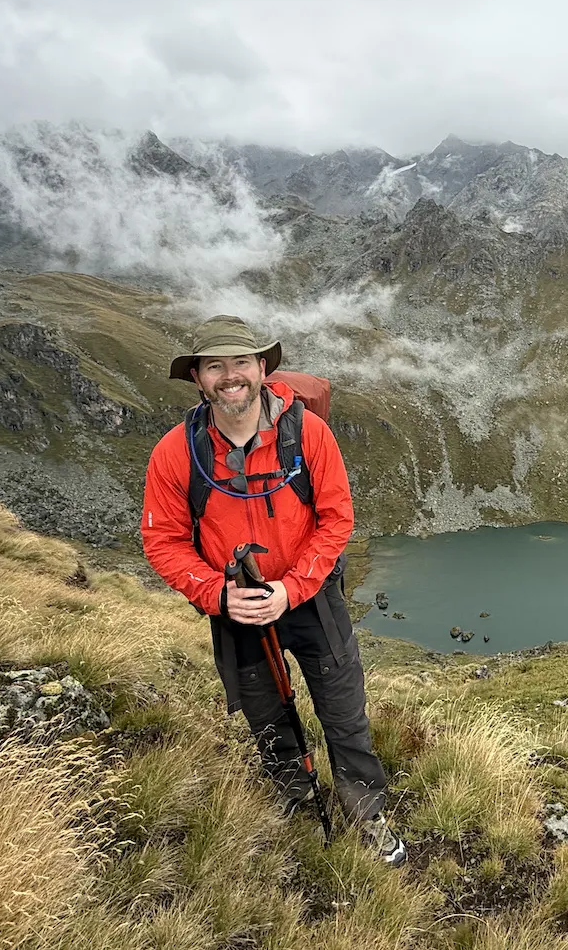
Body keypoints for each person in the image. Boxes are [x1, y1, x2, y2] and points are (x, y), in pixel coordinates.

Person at [141, 314, 405, 866]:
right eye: (215, 366)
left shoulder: (309, 434)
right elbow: (162, 541)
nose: (229, 376)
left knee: (343, 708)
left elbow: (335, 520)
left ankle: (367, 811)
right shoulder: (175, 452)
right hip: (235, 606)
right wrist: (216, 594)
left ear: (263, 368)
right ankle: (296, 797)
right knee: (265, 709)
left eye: (241, 362)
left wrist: (293, 587)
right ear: (198, 378)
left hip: (309, 599)